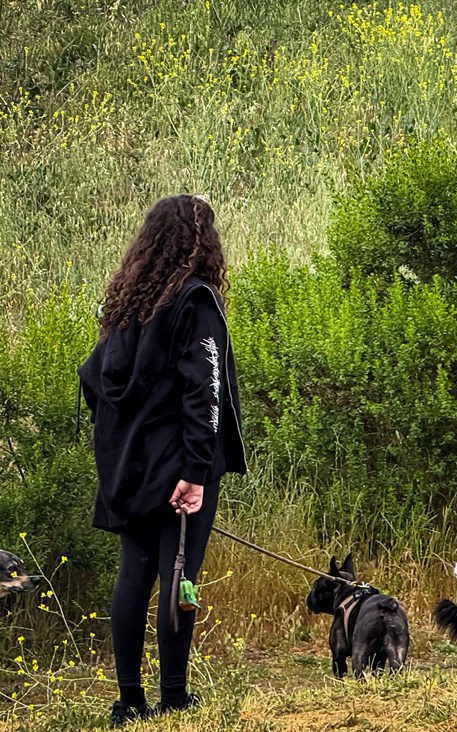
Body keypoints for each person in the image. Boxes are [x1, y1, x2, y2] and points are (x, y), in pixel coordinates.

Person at [78, 195, 247, 727]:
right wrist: (194, 472)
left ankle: (129, 701)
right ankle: (173, 695)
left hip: (130, 470)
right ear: (201, 245)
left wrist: (128, 442)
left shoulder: (125, 306)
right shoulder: (195, 303)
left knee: (135, 574)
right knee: (183, 579)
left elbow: (92, 380)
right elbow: (206, 393)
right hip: (180, 473)